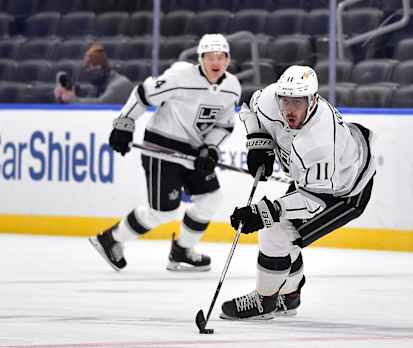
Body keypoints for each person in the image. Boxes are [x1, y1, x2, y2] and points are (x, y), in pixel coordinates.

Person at [219, 65, 376, 320]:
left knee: (276, 228)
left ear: (313, 100)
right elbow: (249, 109)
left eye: (298, 102)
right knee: (280, 231)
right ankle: (289, 297)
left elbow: (314, 202)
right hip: (315, 181)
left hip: (345, 191)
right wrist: (258, 142)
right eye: (286, 100)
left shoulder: (320, 143)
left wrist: (266, 212)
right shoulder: (271, 98)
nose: (289, 109)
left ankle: (265, 301)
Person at [89, 34, 241, 272]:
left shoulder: (232, 87)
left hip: (193, 150)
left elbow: (224, 124)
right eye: (210, 56)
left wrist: (209, 148)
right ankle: (110, 239)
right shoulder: (180, 77)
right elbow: (143, 94)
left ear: (228, 60)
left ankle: (182, 250)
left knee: (211, 199)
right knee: (163, 211)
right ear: (200, 58)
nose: (216, 62)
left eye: (221, 57)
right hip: (162, 147)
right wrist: (124, 124)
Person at [54, 42, 133, 104]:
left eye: (88, 68)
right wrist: (64, 98)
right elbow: (86, 104)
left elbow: (101, 105)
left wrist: (72, 100)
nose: (86, 72)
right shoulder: (98, 85)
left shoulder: (120, 84)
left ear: (98, 67)